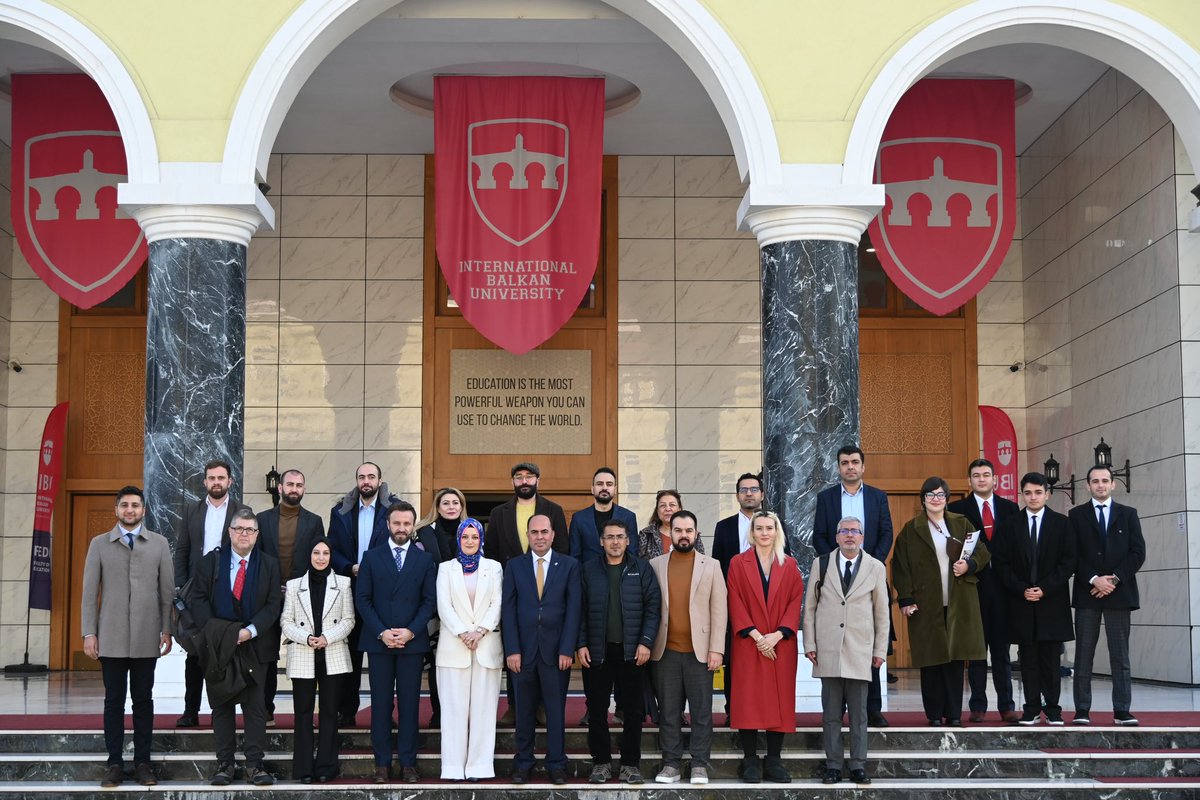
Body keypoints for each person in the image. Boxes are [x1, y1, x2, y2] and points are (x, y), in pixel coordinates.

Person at [80, 486, 174, 788]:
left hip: (147, 636)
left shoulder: (159, 544)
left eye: (135, 505)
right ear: (116, 510)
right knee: (114, 701)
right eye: (124, 505)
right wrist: (89, 632)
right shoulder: (99, 544)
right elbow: (89, 593)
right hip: (111, 636)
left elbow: (167, 592)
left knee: (143, 701)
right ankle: (115, 764)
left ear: (144, 510)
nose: (130, 510)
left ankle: (143, 763)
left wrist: (167, 629)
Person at [189, 508, 281, 787]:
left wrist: (249, 631)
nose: (244, 534)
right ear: (229, 532)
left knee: (256, 708)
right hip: (219, 646)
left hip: (256, 645)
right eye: (239, 528)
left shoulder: (269, 565)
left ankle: (254, 765)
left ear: (257, 534)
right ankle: (225, 764)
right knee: (222, 706)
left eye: (250, 530)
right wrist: (222, 634)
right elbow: (198, 600)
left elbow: (273, 605)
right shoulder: (210, 562)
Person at [892, 476, 989, 727]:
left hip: (959, 600)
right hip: (925, 602)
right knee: (931, 658)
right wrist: (906, 598)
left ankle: (954, 714)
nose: (935, 499)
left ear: (947, 499)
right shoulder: (911, 530)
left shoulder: (961, 523)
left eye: (940, 494)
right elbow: (900, 567)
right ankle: (934, 714)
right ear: (922, 500)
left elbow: (982, 552)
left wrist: (969, 565)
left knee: (955, 658)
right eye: (930, 495)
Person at [802, 516, 889, 786]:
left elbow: (882, 612)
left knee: (859, 715)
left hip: (860, 650)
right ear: (837, 536)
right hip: (828, 649)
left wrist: (880, 650)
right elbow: (810, 607)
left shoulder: (875, 567)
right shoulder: (821, 563)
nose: (850, 535)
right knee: (830, 715)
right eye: (844, 531)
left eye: (855, 531)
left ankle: (858, 765)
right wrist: (810, 643)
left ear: (862, 537)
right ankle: (833, 766)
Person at [355, 500, 437, 783]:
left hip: (412, 644)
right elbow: (362, 599)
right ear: (388, 525)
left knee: (409, 705)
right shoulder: (371, 557)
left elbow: (429, 601)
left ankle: (408, 763)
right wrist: (382, 632)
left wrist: (410, 631)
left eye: (406, 523)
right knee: (380, 705)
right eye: (397, 523)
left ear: (413, 526)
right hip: (379, 642)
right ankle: (381, 763)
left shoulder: (424, 560)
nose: (401, 528)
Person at [811, 445, 893, 727]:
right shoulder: (826, 498)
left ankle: (873, 709)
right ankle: (838, 711)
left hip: (868, 577)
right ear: (838, 467)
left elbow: (886, 533)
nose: (850, 466)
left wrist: (871, 565)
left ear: (863, 466)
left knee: (866, 642)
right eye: (845, 462)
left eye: (855, 462)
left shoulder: (877, 497)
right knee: (840, 643)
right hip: (836, 578)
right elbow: (819, 535)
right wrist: (834, 564)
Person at [577, 520, 661, 785]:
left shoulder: (642, 568)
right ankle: (601, 763)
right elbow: (579, 610)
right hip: (598, 652)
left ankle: (630, 764)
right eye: (610, 537)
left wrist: (646, 642)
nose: (615, 541)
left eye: (620, 537)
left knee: (633, 711)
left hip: (632, 652)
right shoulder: (588, 569)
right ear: (601, 541)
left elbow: (653, 608)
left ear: (628, 540)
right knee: (597, 710)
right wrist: (581, 644)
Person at [501, 513, 581, 785]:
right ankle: (523, 763)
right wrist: (512, 649)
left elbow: (574, 610)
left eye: (544, 532)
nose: (539, 537)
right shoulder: (515, 566)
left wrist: (567, 649)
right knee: (523, 711)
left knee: (555, 712)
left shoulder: (569, 565)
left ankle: (556, 764)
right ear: (528, 535)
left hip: (556, 653)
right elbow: (508, 610)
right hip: (522, 653)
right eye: (534, 532)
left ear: (553, 534)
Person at [487, 462, 568, 725]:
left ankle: (542, 705)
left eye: (529, 476)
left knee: (545, 649)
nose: (524, 481)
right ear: (512, 482)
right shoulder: (498, 513)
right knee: (515, 646)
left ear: (537, 481)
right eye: (519, 477)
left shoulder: (553, 510)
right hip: (513, 588)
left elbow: (563, 549)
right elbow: (492, 553)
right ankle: (515, 705)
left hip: (548, 589)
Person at [992, 473, 1076, 726]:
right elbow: (1001, 562)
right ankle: (1030, 708)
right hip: (1021, 601)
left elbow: (1068, 561)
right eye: (1028, 493)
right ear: (1022, 495)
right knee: (1027, 658)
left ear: (1047, 494)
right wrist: (1022, 589)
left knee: (1051, 659)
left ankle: (1053, 709)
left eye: (1038, 492)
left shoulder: (1062, 524)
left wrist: (1045, 588)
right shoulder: (1010, 525)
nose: (1033, 497)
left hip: (1052, 601)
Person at [649, 510, 726, 786]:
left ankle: (699, 764)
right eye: (678, 530)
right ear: (670, 533)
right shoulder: (655, 565)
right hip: (665, 651)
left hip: (700, 652)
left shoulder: (712, 565)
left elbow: (720, 610)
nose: (683, 535)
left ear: (696, 534)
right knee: (669, 712)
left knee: (701, 712)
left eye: (688, 530)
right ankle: (671, 764)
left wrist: (717, 649)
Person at [726, 511, 804, 783]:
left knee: (779, 700)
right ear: (752, 532)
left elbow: (795, 601)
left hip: (780, 644)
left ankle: (773, 760)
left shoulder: (790, 565)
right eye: (758, 528)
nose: (764, 533)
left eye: (769, 528)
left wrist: (777, 635)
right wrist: (759, 637)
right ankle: (749, 760)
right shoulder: (738, 563)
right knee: (747, 700)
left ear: (776, 531)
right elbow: (734, 600)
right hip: (749, 642)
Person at [1068, 464, 1145, 726]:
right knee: (1084, 654)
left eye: (1104, 480)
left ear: (1113, 484)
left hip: (1119, 594)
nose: (1100, 485)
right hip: (1088, 592)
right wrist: (1094, 579)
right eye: (1095, 481)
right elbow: (1072, 554)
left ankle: (1122, 710)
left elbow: (1138, 552)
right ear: (1087, 485)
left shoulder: (1128, 514)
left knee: (1120, 655)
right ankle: (1082, 709)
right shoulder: (1076, 515)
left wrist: (1113, 579)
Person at [947, 458, 1022, 723]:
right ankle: (977, 705)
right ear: (969, 481)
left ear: (995, 479)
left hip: (1003, 590)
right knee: (976, 651)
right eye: (976, 475)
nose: (981, 479)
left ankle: (1007, 706)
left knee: (1001, 652)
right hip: (972, 588)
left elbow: (1017, 548)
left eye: (986, 474)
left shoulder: (1010, 509)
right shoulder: (957, 509)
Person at [327, 461, 400, 727]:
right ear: (357, 480)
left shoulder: (394, 509)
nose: (366, 481)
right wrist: (350, 567)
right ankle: (347, 712)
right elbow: (332, 548)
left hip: (382, 594)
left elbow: (399, 546)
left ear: (380, 480)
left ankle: (385, 713)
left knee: (383, 658)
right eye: (362, 477)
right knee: (350, 656)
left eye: (371, 476)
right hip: (350, 591)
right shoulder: (341, 511)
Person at [173, 459, 244, 728]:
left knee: (225, 650)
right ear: (205, 482)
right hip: (196, 591)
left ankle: (221, 712)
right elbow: (182, 549)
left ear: (230, 481)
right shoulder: (192, 510)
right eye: (212, 478)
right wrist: (180, 585)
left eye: (221, 478)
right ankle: (190, 710)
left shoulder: (242, 511)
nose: (216, 482)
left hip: (228, 589)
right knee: (195, 651)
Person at [280, 537, 354, 783]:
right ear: (309, 555)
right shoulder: (294, 585)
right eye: (316, 552)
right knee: (302, 713)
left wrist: (326, 638)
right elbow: (286, 621)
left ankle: (326, 767)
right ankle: (303, 769)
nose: (321, 557)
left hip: (332, 653)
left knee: (330, 712)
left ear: (331, 556)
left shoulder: (343, 583)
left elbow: (349, 620)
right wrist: (306, 638)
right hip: (303, 652)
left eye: (325, 553)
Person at [435, 518, 503, 781]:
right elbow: (444, 605)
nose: (470, 541)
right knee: (453, 711)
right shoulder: (446, 569)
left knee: (484, 711)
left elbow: (497, 603)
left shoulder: (494, 567)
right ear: (458, 539)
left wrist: (481, 630)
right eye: (465, 537)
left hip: (486, 647)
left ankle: (479, 767)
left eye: (475, 537)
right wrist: (464, 632)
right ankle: (453, 767)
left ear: (481, 539)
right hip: (454, 647)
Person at [256, 468, 325, 724]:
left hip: (302, 599)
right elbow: (257, 560)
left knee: (304, 654)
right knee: (267, 655)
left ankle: (305, 713)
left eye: (299, 485)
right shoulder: (262, 520)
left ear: (304, 489)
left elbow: (319, 560)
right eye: (290, 484)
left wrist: (297, 588)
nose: (294, 489)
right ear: (280, 488)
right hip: (268, 598)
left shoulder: (314, 521)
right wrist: (273, 587)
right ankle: (265, 709)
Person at [712, 472, 775, 724]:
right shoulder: (724, 527)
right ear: (737, 495)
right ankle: (734, 709)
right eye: (744, 490)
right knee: (735, 660)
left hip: (769, 607)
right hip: (734, 606)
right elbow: (718, 568)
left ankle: (766, 710)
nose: (749, 493)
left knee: (767, 658)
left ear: (762, 494)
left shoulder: (775, 524)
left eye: (754, 489)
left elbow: (785, 561)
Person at [416, 487, 468, 729]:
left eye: (455, 502)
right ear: (437, 507)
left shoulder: (471, 532)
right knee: (438, 663)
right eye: (445, 502)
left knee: (462, 662)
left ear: (461, 506)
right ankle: (439, 712)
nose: (451, 507)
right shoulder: (422, 533)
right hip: (432, 609)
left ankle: (462, 714)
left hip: (466, 609)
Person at [570, 467, 640, 563]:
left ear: (615, 489)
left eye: (609, 484)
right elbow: (574, 556)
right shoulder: (578, 518)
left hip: (620, 572)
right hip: (588, 572)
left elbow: (632, 553)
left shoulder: (628, 517)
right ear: (592, 489)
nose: (604, 488)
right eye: (599, 484)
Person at [635, 489, 705, 558]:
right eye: (663, 505)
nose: (668, 509)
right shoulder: (646, 534)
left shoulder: (691, 534)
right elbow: (639, 562)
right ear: (657, 510)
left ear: (679, 509)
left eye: (672, 505)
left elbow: (701, 560)